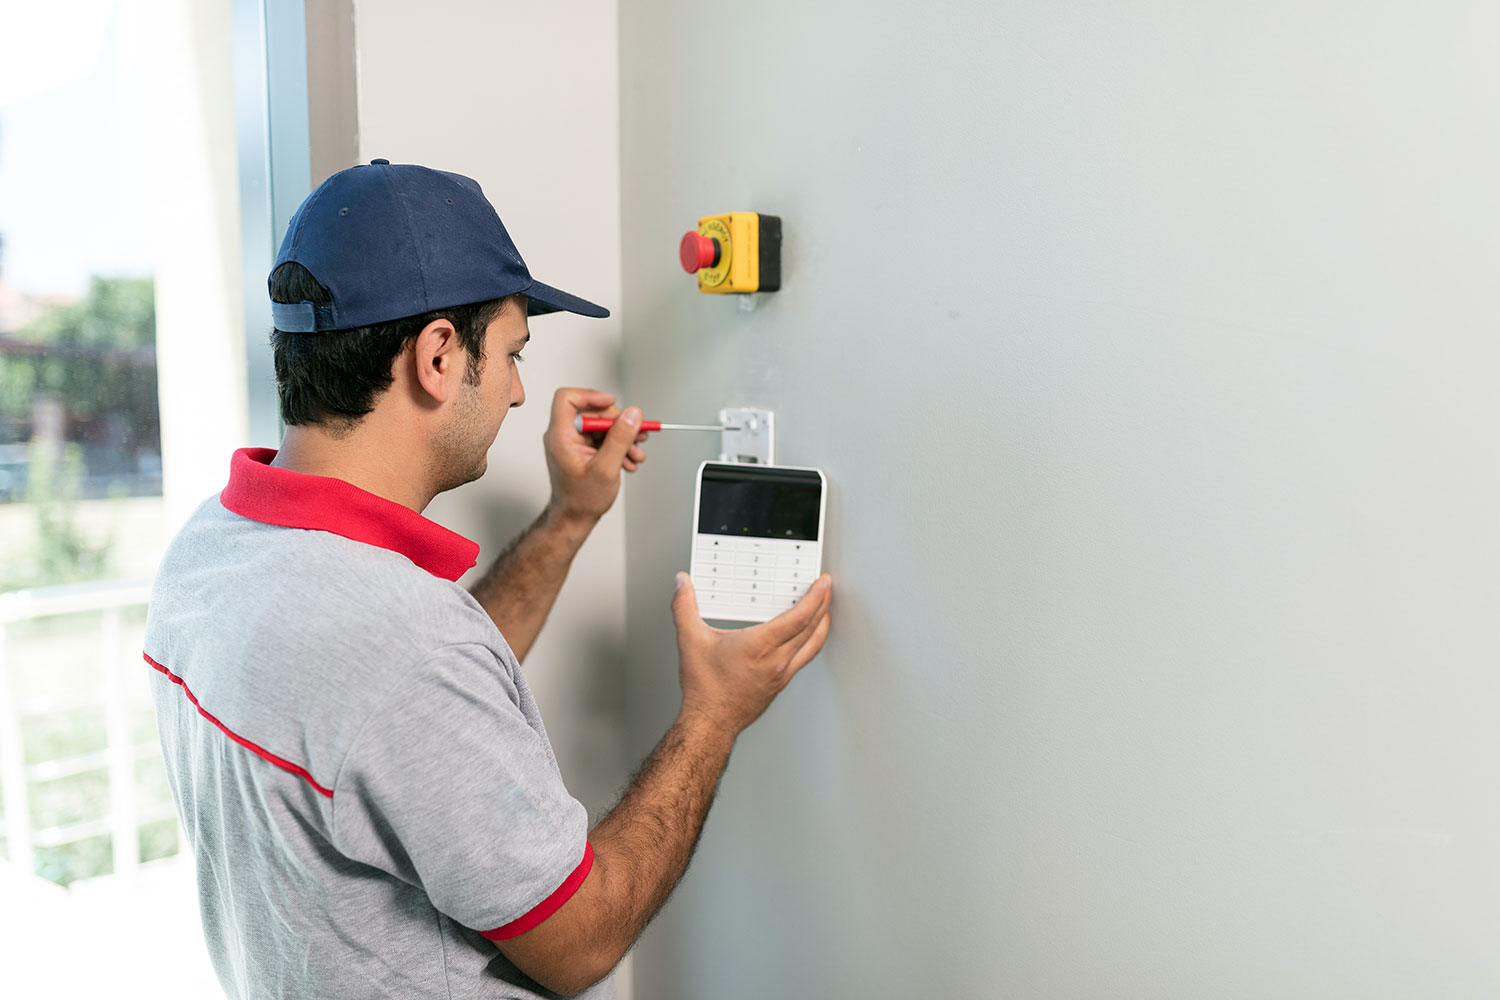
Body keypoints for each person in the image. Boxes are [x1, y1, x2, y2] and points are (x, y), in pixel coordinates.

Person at [143, 160, 832, 999]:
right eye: (511, 354)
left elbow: (388, 728)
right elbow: (580, 940)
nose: (516, 392)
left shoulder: (212, 549)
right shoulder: (403, 643)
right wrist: (715, 717)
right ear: (438, 355)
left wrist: (569, 517)